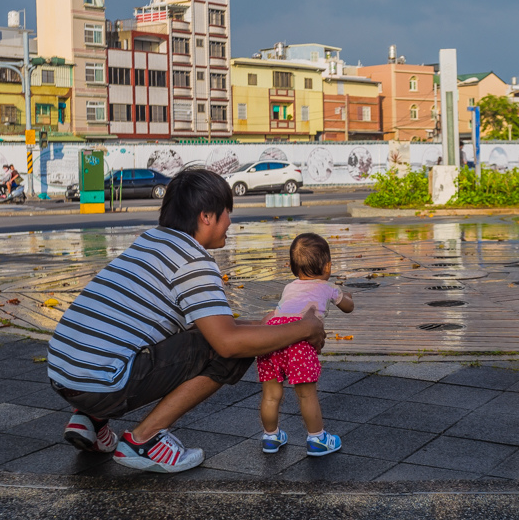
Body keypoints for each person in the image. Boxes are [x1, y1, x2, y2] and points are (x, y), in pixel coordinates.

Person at [46, 168, 325, 473]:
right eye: (227, 212)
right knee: (229, 353)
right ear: (207, 217)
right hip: (102, 384)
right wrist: (305, 327)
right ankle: (145, 440)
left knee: (197, 337)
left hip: (65, 374)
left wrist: (270, 327)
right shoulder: (193, 260)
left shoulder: (151, 241)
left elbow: (206, 327)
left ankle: (89, 419)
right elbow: (228, 343)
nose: (230, 221)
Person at [257, 233, 354, 456]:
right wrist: (346, 295)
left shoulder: (289, 287)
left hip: (274, 334)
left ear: (293, 268)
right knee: (306, 395)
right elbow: (348, 307)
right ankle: (317, 439)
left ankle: (270, 437)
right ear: (327, 266)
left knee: (271, 395)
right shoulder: (327, 287)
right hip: (299, 339)